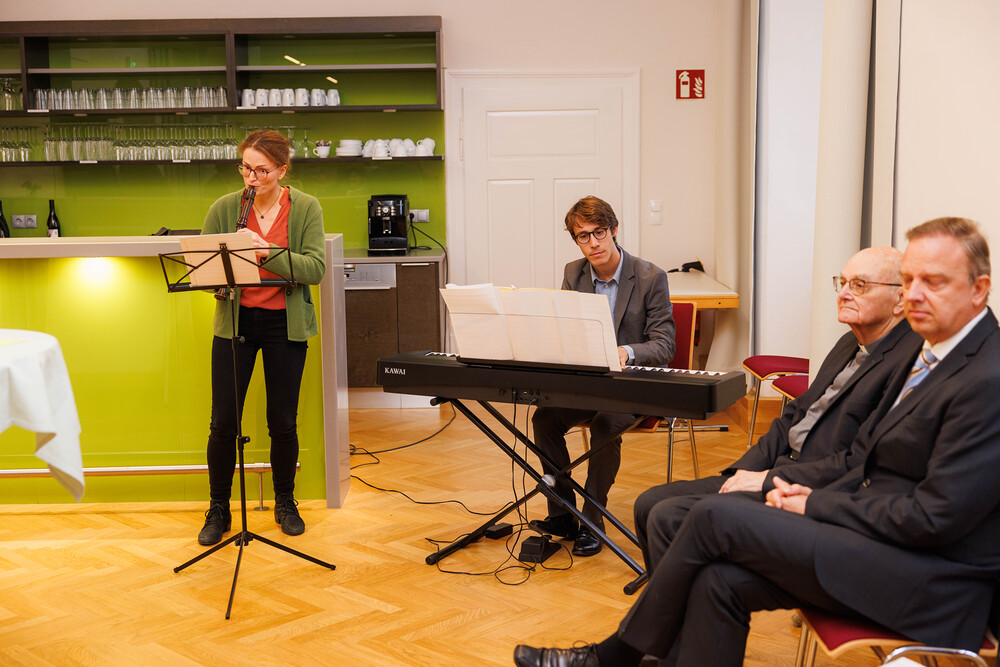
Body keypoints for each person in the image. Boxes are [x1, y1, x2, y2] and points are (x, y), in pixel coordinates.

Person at [514, 217, 1000, 666]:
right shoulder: (931, 354)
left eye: (933, 282)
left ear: (979, 289)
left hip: (930, 579)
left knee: (710, 516)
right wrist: (795, 488)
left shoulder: (984, 377)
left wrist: (813, 502)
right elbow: (861, 454)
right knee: (716, 580)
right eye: (909, 280)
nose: (914, 295)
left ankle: (611, 658)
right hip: (872, 533)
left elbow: (934, 516)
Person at [634, 246, 922, 571]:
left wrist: (768, 479)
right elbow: (793, 415)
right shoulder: (849, 342)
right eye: (842, 283)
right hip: (778, 468)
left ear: (901, 299)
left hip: (810, 490)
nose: (843, 294)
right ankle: (677, 595)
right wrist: (745, 471)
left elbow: (859, 461)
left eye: (859, 285)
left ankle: (684, 597)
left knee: (669, 515)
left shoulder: (908, 362)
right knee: (648, 503)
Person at [196, 129, 327, 546]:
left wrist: (266, 250)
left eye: (261, 170)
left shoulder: (305, 207)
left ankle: (285, 501)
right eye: (246, 168)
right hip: (236, 323)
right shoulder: (224, 208)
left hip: (284, 324)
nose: (251, 178)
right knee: (223, 423)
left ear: (282, 170)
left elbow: (314, 269)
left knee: (283, 422)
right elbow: (205, 268)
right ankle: (219, 508)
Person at [530, 196, 675, 557]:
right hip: (588, 385)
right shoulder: (574, 273)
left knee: (606, 424)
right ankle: (562, 514)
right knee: (544, 418)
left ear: (613, 230)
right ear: (576, 240)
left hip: (631, 389)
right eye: (583, 236)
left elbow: (664, 345)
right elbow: (565, 331)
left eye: (599, 233)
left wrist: (626, 351)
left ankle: (593, 520)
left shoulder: (650, 277)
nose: (593, 243)